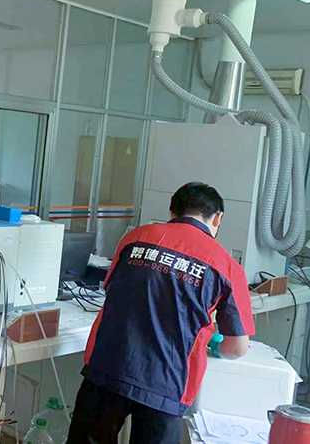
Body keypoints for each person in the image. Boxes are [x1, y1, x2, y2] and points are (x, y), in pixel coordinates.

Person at [67, 182, 255, 444]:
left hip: (108, 368)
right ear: (218, 218)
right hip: (167, 384)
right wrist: (214, 345)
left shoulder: (135, 239)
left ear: (172, 212)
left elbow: (113, 290)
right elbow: (237, 348)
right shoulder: (227, 267)